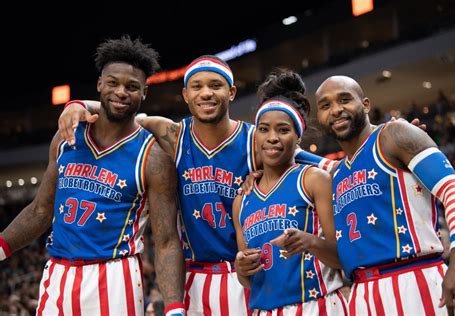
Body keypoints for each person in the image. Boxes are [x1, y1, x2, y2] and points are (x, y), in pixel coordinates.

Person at [58, 55, 334, 315]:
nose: (206, 93)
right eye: (197, 86)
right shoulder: (173, 135)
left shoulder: (255, 139)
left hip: (247, 275)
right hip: (194, 279)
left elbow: (328, 168)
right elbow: (121, 109)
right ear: (186, 95)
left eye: (216, 85)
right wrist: (79, 104)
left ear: (232, 93)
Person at [0, 35, 185, 315]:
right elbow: (40, 211)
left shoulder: (153, 156)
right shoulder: (65, 139)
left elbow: (167, 240)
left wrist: (173, 307)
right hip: (59, 273)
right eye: (113, 83)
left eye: (132, 87)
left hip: (114, 278)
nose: (121, 92)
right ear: (99, 84)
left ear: (144, 93)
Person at [314, 75, 455, 315]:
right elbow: (296, 156)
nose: (336, 110)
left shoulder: (394, 134)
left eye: (344, 100)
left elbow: (454, 190)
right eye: (325, 106)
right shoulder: (336, 172)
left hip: (415, 281)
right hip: (362, 294)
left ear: (365, 105)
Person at [233, 70, 348, 315]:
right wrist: (241, 268)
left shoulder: (313, 179)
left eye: (283, 130)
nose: (272, 138)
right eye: (264, 129)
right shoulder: (242, 200)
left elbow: (343, 257)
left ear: (297, 138)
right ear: (255, 136)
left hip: (316, 304)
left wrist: (311, 242)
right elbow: (249, 280)